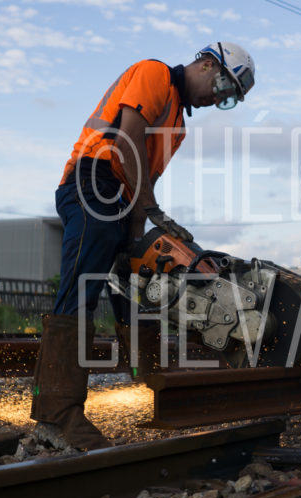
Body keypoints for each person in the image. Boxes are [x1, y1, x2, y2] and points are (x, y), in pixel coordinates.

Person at [31, 42, 256, 450]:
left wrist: (142, 236)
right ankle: (56, 414)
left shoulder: (179, 125)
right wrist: (150, 207)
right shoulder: (154, 74)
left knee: (138, 291)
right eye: (222, 88)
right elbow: (127, 141)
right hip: (93, 181)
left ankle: (151, 393)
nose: (217, 99)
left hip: (122, 195)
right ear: (207, 64)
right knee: (83, 287)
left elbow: (144, 179)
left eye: (227, 101)